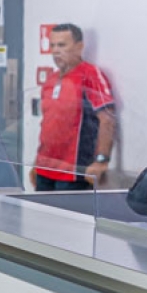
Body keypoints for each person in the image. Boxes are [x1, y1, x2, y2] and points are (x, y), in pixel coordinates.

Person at [32, 23, 116, 191]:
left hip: (73, 172)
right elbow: (48, 125)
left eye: (62, 45)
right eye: (52, 45)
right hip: (45, 169)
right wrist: (37, 162)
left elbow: (107, 119)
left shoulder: (91, 75)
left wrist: (101, 160)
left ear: (79, 47)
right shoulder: (51, 79)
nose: (56, 50)